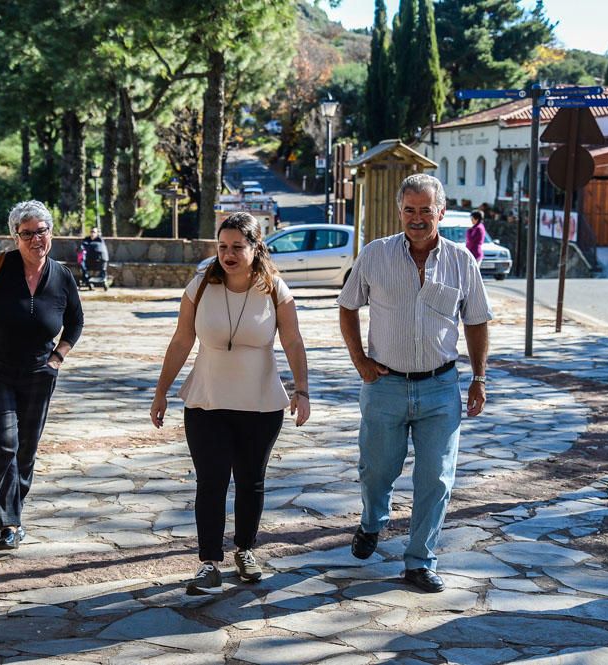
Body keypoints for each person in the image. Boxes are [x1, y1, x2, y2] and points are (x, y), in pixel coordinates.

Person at [337, 174, 492, 593]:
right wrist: (360, 362)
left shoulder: (462, 261)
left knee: (437, 477)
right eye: (410, 210)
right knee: (376, 471)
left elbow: (476, 321)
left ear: (441, 212)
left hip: (441, 388)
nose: (418, 218)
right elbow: (347, 306)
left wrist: (479, 377)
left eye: (426, 210)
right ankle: (372, 522)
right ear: (399, 212)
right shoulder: (375, 255)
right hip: (384, 385)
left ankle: (420, 559)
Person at [150, 212, 310, 595]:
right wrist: (161, 391)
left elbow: (292, 340)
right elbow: (180, 340)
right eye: (223, 247)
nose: (229, 254)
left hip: (261, 403)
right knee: (211, 481)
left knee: (251, 481)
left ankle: (245, 551)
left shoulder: (275, 289)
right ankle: (208, 564)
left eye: (238, 247)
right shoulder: (200, 286)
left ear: (256, 248)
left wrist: (301, 390)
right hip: (207, 401)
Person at [0, 200, 84, 551]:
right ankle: (8, 522)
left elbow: (75, 321)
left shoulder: (61, 275)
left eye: (40, 231)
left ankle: (14, 508)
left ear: (51, 233)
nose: (34, 239)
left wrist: (58, 358)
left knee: (25, 448)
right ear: (15, 237)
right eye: (26, 234)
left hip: (39, 373)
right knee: (4, 444)